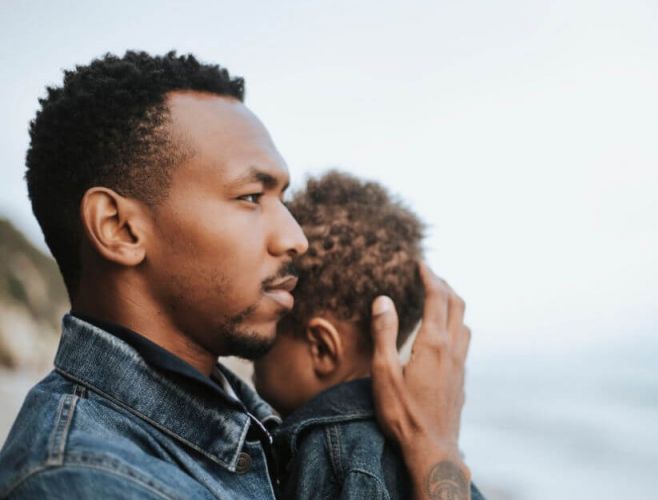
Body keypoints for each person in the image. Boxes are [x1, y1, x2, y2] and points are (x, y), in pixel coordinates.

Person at [0, 51, 472, 499]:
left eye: (282, 199)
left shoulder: (251, 427)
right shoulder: (85, 478)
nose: (295, 238)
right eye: (251, 197)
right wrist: (435, 452)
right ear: (119, 228)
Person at [253, 171, 483, 499]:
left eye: (273, 321)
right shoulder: (421, 446)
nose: (255, 349)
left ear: (322, 348)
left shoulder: (329, 448)